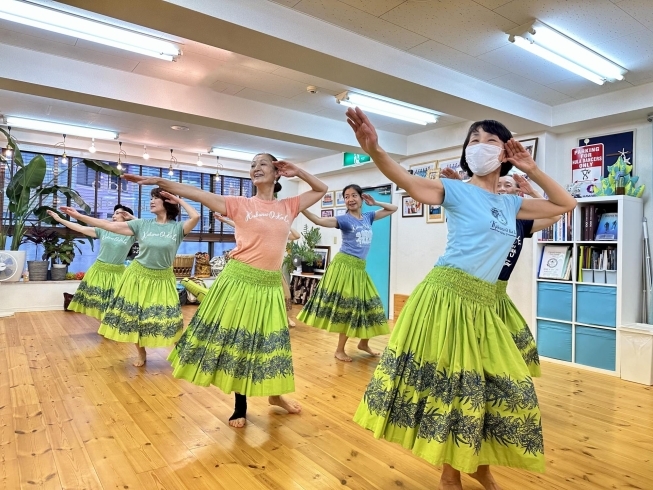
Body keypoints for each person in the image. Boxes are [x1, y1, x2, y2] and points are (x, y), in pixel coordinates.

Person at [346, 107, 576, 490]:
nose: (481, 146)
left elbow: (565, 204)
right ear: (465, 150)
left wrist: (531, 169)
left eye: (491, 141)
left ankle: (478, 463)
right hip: (447, 298)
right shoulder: (453, 191)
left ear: (505, 152)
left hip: (486, 306)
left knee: (502, 389)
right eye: (474, 140)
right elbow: (404, 179)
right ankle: (452, 472)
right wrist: (375, 149)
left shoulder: (510, 203)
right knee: (456, 390)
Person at [123, 153, 327, 429]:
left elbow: (321, 189)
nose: (255, 168)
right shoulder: (239, 204)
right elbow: (197, 192)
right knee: (239, 344)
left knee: (271, 344)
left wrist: (298, 170)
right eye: (252, 165)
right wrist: (161, 181)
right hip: (239, 281)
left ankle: (276, 395)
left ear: (277, 172)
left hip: (268, 286)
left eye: (262, 164)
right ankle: (240, 406)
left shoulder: (289, 206)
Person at [59, 188, 199, 367]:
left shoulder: (178, 228)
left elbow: (195, 216)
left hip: (163, 279)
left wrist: (178, 200)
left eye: (156, 198)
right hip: (137, 276)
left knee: (170, 318)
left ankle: (180, 353)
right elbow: (107, 225)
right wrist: (79, 216)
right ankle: (141, 354)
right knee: (136, 318)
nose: (151, 201)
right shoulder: (142, 225)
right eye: (151, 198)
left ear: (168, 202)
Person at [441, 170, 561, 377]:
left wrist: (531, 190)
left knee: (503, 346)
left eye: (509, 185)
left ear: (517, 192)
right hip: (469, 289)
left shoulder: (522, 221)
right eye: (499, 185)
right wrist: (461, 186)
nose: (503, 188)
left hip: (497, 294)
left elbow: (555, 214)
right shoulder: (479, 213)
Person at [298, 185, 397, 361]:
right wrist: (300, 207)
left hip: (359, 269)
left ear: (361, 198)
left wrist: (375, 202)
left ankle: (363, 343)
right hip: (344, 268)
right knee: (348, 309)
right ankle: (339, 350)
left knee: (372, 306)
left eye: (353, 195)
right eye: (346, 196)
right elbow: (318, 221)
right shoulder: (344, 220)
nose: (350, 199)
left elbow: (393, 208)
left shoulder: (369, 217)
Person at [47, 204, 136, 320]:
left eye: (118, 213)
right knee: (101, 302)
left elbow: (148, 228)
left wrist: (133, 219)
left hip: (118, 272)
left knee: (118, 302)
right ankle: (105, 326)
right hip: (99, 270)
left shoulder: (131, 234)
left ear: (126, 216)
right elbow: (80, 228)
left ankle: (112, 326)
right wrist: (59, 219)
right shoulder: (104, 230)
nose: (114, 215)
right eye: (114, 213)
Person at [214, 212, 301, 327]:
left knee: (284, 296)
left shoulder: (280, 234)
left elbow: (297, 235)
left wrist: (285, 224)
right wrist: (225, 220)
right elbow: (240, 225)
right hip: (259, 270)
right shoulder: (260, 232)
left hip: (275, 272)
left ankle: (286, 318)